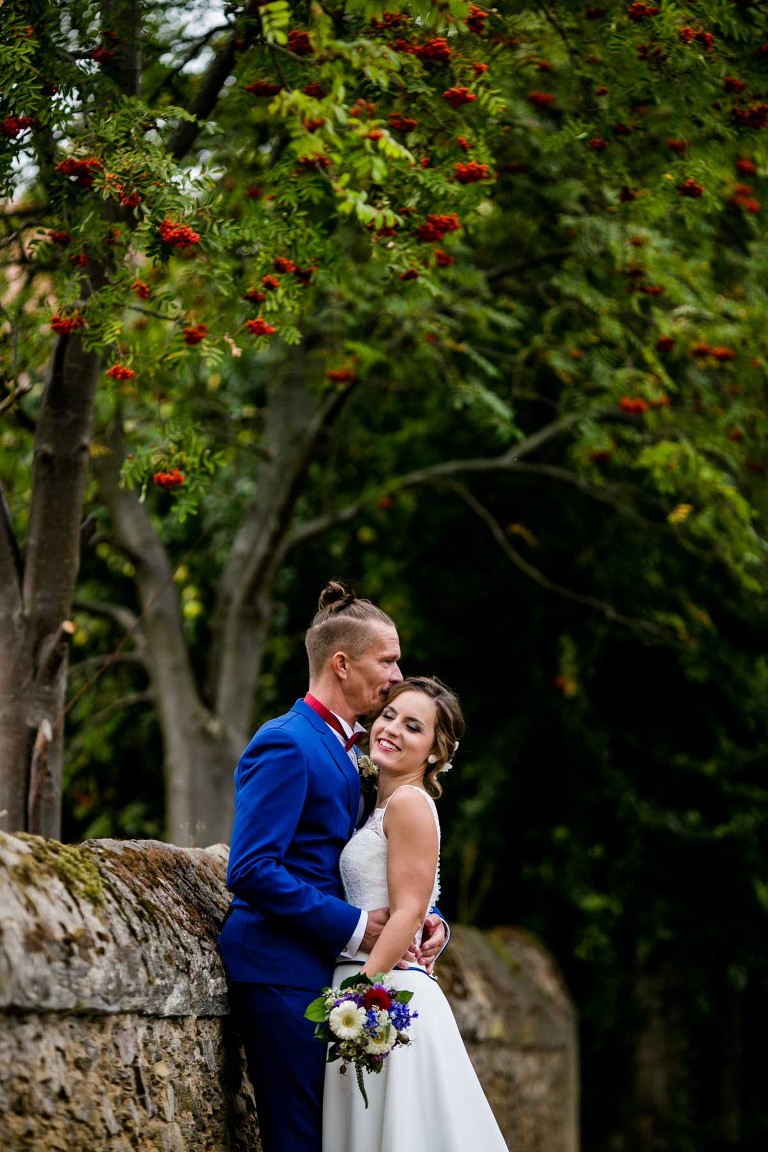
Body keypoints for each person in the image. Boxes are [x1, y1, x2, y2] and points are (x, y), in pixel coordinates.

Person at [217, 582, 447, 1152]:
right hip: (278, 971)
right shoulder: (287, 743)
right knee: (298, 1138)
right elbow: (250, 868)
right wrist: (354, 926)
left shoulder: (354, 754)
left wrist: (424, 914)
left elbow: (366, 857)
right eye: (387, 660)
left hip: (323, 973)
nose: (397, 674)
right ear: (342, 664)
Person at [322, 675, 510, 1152]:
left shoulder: (407, 803)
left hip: (383, 997)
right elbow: (416, 900)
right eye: (388, 716)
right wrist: (437, 924)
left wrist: (356, 1000)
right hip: (374, 986)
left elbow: (407, 911)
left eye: (412, 726)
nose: (392, 730)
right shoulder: (375, 801)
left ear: (434, 753)